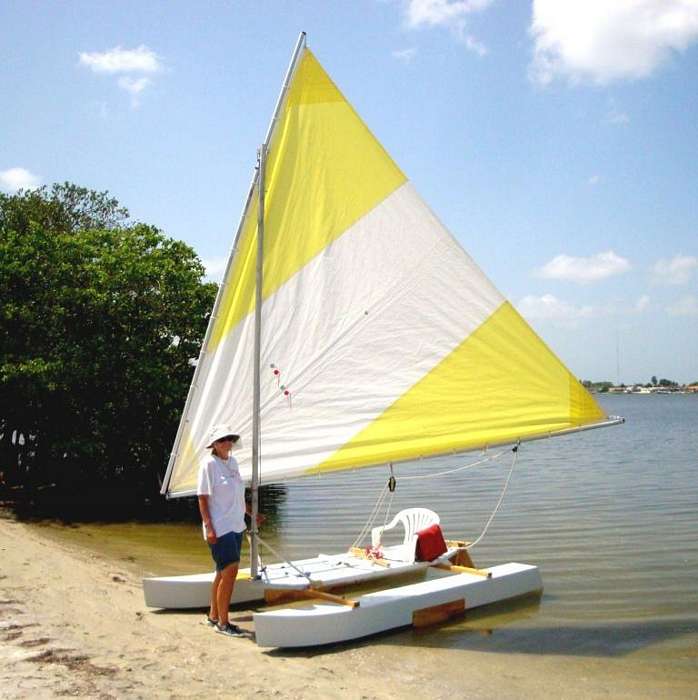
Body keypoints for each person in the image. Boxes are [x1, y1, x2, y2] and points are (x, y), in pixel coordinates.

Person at [197, 424, 260, 637]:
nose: (227, 443)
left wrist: (251, 514)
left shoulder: (232, 463)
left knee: (221, 572)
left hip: (236, 525)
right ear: (214, 444)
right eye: (222, 440)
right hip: (220, 527)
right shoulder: (208, 464)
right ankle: (224, 624)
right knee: (230, 573)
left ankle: (213, 616)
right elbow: (202, 498)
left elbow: (237, 495)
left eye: (229, 439)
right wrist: (209, 527)